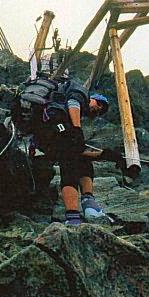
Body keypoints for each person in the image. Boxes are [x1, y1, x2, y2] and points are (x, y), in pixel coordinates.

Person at [11, 78, 129, 225]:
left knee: (76, 157)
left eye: (101, 111)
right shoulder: (81, 92)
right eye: (99, 104)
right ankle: (73, 216)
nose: (98, 109)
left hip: (46, 133)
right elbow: (74, 102)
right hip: (54, 124)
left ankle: (88, 205)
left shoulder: (60, 109)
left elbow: (76, 153)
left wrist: (105, 155)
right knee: (70, 163)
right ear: (92, 98)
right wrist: (77, 129)